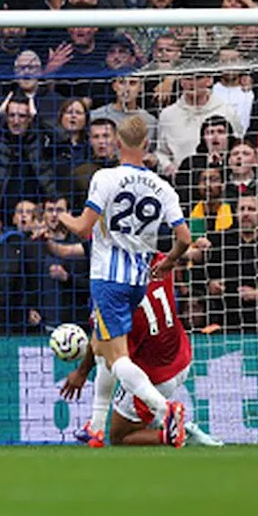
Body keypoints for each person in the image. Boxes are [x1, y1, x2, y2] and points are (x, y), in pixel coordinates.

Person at [58, 115, 192, 448]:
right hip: (138, 277)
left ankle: (166, 410)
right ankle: (96, 427)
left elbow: (83, 228)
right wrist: (171, 260)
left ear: (118, 143)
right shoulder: (163, 187)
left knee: (116, 356)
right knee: (105, 348)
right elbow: (185, 238)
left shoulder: (105, 177)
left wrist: (60, 217)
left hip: (107, 277)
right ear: (146, 145)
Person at [61, 254, 223, 448]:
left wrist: (81, 372)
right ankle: (95, 426)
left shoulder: (115, 294)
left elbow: (101, 343)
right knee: (111, 354)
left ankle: (177, 432)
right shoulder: (159, 261)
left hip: (154, 376)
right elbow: (179, 250)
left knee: (119, 436)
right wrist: (191, 251)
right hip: (181, 355)